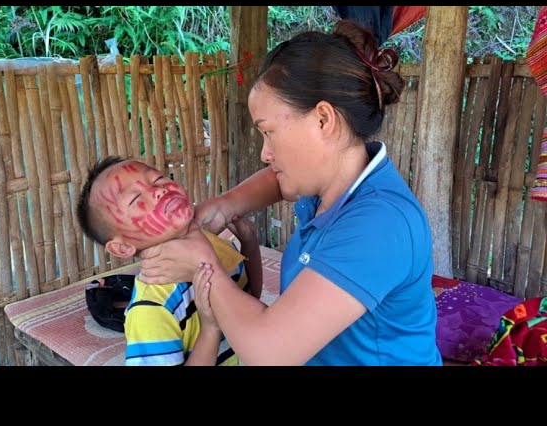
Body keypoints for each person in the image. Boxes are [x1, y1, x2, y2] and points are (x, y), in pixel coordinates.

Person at [137, 20, 443, 366]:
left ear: (323, 120)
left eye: (268, 133)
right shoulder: (332, 185)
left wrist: (202, 264)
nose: (265, 153)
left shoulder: (379, 224)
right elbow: (275, 181)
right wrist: (225, 205)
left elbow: (269, 353)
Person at [76, 156, 262, 366]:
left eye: (158, 179)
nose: (159, 190)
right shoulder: (151, 309)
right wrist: (211, 328)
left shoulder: (215, 248)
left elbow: (251, 301)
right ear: (122, 247)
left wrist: (250, 244)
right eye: (136, 199)